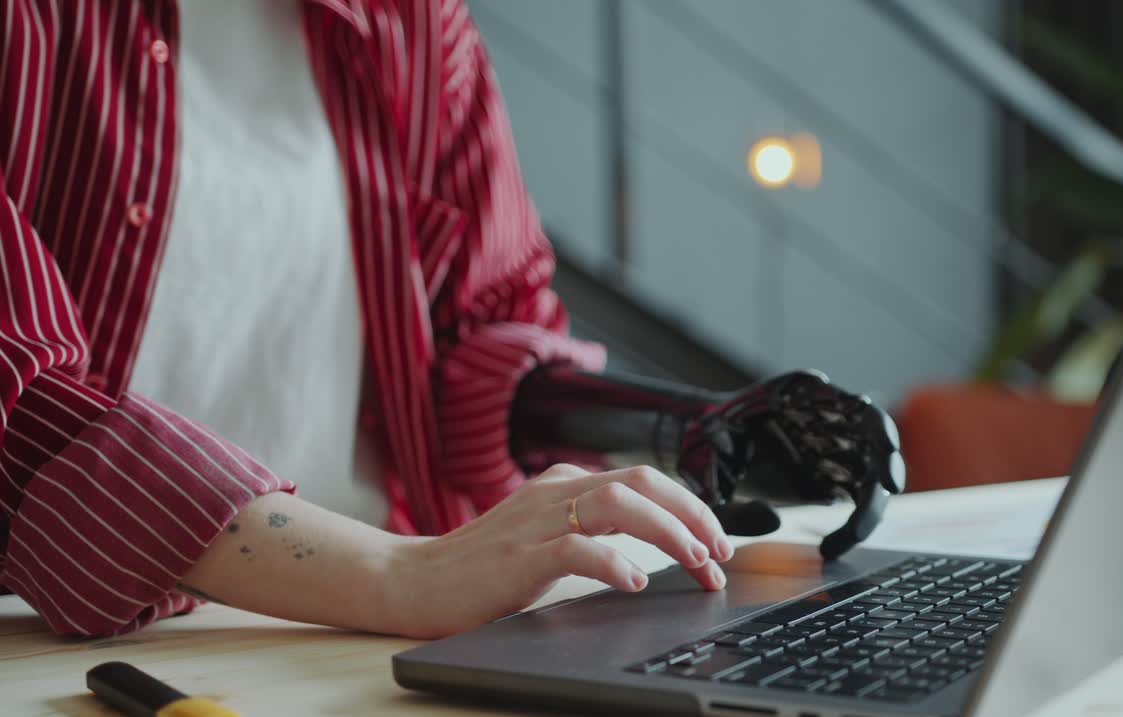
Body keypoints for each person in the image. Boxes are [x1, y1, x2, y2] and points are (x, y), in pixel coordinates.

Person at [1, 0, 902, 640]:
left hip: (365, 634)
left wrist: (682, 425)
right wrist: (397, 574)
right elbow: (18, 399)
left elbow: (477, 338)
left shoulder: (414, 24)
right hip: (65, 646)